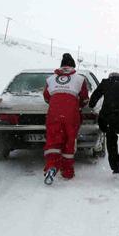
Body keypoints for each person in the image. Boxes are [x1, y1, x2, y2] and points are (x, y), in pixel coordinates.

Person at [42, 53, 89, 185]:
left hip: (54, 113)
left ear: (61, 66)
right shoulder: (80, 79)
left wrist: (57, 102)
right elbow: (84, 99)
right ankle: (67, 172)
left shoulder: (50, 79)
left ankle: (51, 166)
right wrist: (76, 105)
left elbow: (46, 97)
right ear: (73, 66)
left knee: (53, 141)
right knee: (69, 140)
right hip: (71, 114)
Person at [89, 71, 119, 187]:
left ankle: (115, 167)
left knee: (111, 141)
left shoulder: (106, 83)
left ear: (110, 77)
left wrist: (91, 105)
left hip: (110, 118)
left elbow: (95, 96)